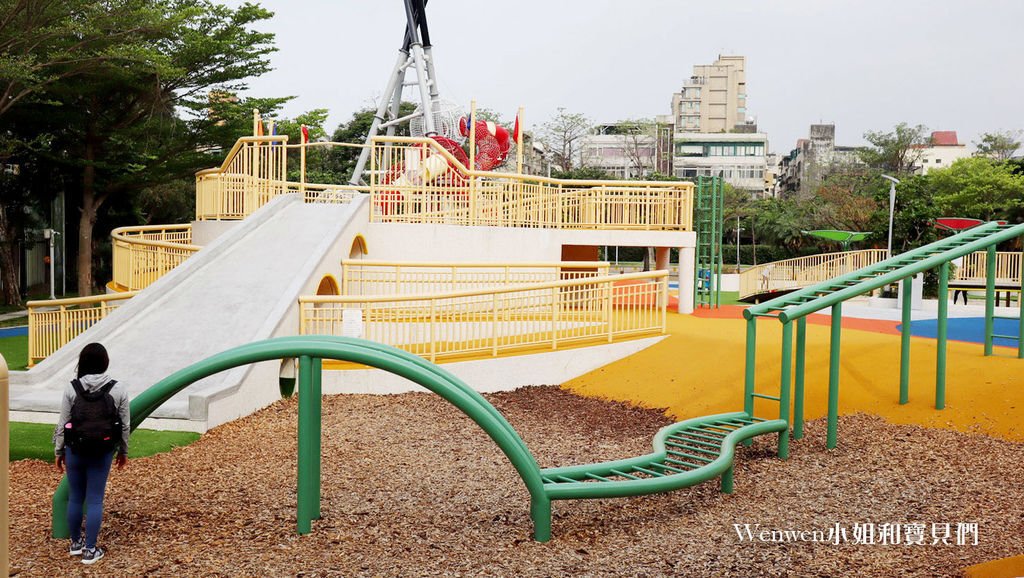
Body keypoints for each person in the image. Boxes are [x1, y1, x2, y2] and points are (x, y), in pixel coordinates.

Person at [54, 343, 130, 565]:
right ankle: (90, 550)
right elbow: (124, 425)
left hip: (75, 450)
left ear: (83, 363)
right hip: (102, 451)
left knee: (76, 497)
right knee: (95, 499)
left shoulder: (72, 388)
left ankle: (75, 543)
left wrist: (59, 451)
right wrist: (123, 451)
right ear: (105, 362)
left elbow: (62, 423)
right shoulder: (118, 389)